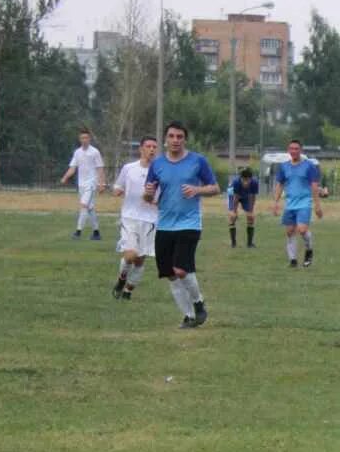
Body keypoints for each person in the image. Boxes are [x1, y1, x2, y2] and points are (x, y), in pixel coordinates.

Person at [142, 121, 219, 328]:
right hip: (165, 224)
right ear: (165, 140)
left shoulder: (198, 161)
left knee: (181, 269)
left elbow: (215, 188)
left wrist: (197, 190)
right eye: (172, 136)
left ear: (185, 139)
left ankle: (198, 303)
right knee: (170, 274)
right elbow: (148, 197)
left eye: (179, 137)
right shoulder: (157, 164)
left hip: (189, 223)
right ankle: (188, 316)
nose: (175, 140)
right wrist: (148, 194)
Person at [107, 135, 159, 300]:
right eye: (148, 146)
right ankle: (122, 279)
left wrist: (156, 202)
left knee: (139, 260)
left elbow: (164, 196)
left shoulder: (160, 171)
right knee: (130, 255)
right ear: (141, 149)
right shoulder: (129, 168)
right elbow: (117, 185)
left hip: (150, 220)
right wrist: (117, 190)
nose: (151, 149)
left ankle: (128, 291)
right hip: (129, 217)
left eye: (154, 147)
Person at [274, 140, 325, 269]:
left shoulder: (309, 166)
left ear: (300, 150)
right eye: (291, 148)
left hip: (304, 203)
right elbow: (280, 185)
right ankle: (293, 260)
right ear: (288, 150)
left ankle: (309, 249)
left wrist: (317, 205)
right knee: (290, 232)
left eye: (296, 149)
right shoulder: (284, 166)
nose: (294, 151)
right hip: (290, 204)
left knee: (302, 230)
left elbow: (314, 186)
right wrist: (276, 202)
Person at [61, 129, 105, 240]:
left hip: (91, 183)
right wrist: (65, 177)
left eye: (86, 138)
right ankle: (96, 233)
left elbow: (100, 168)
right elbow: (73, 168)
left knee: (84, 206)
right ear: (79, 139)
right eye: (82, 138)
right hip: (81, 185)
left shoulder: (95, 152)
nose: (84, 140)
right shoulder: (77, 152)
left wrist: (101, 183)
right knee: (90, 208)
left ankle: (78, 232)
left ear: (89, 139)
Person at [227, 167, 259, 248]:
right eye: (243, 180)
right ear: (240, 178)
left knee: (251, 217)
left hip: (246, 196)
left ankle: (250, 244)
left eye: (247, 180)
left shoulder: (254, 182)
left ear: (251, 179)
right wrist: (234, 211)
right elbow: (236, 198)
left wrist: (250, 211)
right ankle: (233, 243)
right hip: (233, 195)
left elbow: (252, 197)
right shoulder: (236, 182)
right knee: (232, 217)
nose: (245, 183)